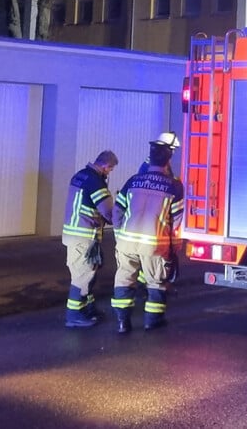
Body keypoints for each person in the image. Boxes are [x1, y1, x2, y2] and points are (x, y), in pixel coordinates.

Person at [111, 140, 184, 334]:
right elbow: (177, 220)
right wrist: (175, 246)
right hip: (154, 245)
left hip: (126, 242)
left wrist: (119, 235)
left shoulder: (133, 180)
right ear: (168, 162)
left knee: (124, 280)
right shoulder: (174, 186)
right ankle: (152, 322)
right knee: (156, 282)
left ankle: (122, 323)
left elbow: (117, 210)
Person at [62, 150, 118, 328]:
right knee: (82, 276)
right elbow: (108, 212)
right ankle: (74, 315)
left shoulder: (80, 176)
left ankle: (87, 308)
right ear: (104, 166)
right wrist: (122, 220)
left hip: (74, 234)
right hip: (84, 236)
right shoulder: (96, 182)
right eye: (110, 169)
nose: (109, 173)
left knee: (88, 273)